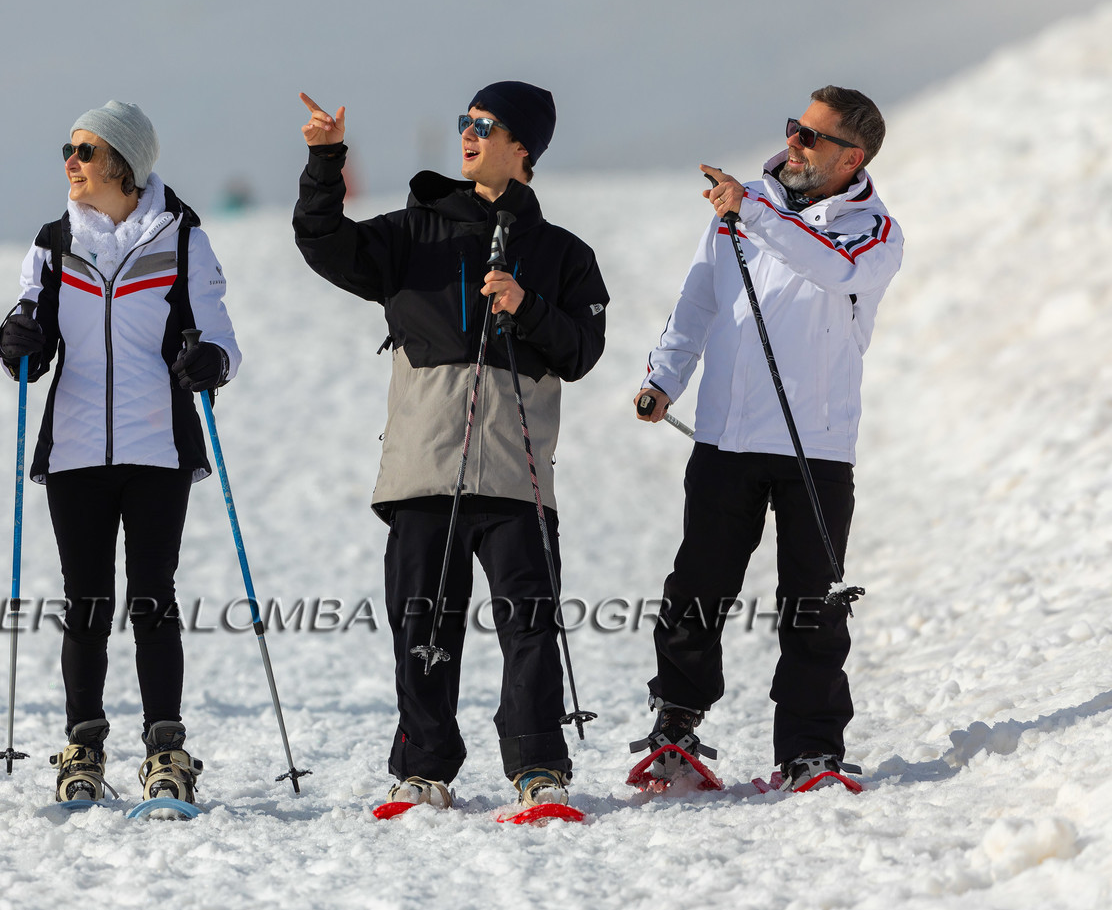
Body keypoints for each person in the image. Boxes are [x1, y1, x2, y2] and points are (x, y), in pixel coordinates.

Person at [294, 83, 609, 812]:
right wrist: (323, 161)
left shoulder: (565, 255)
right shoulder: (412, 232)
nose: (467, 132)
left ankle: (538, 769)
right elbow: (323, 242)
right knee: (421, 628)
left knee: (530, 630)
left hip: (515, 479)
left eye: (485, 125)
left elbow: (582, 351)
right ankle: (423, 768)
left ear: (522, 149)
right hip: (424, 471)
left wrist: (526, 306)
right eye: (465, 121)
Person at [631, 86, 903, 790]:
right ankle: (675, 731)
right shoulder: (741, 207)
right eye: (794, 129)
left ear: (855, 157)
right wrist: (665, 378)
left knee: (813, 604)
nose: (794, 144)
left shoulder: (873, 229)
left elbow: (832, 268)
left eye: (813, 137)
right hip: (726, 437)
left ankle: (809, 751)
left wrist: (750, 212)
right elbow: (697, 301)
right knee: (697, 589)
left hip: (817, 447)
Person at [0, 101, 240, 810]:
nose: (71, 162)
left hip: (157, 445)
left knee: (153, 597)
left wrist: (211, 360)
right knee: (86, 602)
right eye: (67, 149)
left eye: (85, 151)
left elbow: (220, 333)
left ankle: (167, 747)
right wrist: (19, 344)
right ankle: (83, 744)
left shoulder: (182, 236)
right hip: (74, 449)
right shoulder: (50, 242)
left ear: (125, 165)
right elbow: (27, 330)